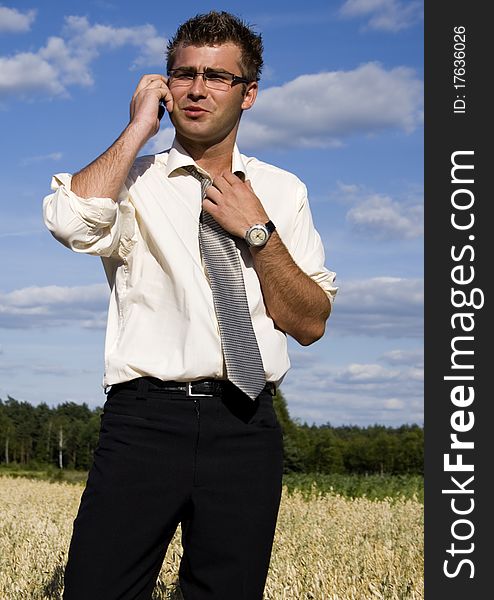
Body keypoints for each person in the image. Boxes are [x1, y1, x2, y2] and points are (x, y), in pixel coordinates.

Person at [43, 10, 337, 600]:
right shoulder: (134, 179)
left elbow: (309, 322)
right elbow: (69, 222)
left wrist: (259, 233)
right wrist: (135, 132)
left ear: (248, 93)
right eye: (183, 74)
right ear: (164, 83)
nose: (197, 89)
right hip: (145, 421)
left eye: (218, 77)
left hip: (247, 423)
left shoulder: (282, 191)